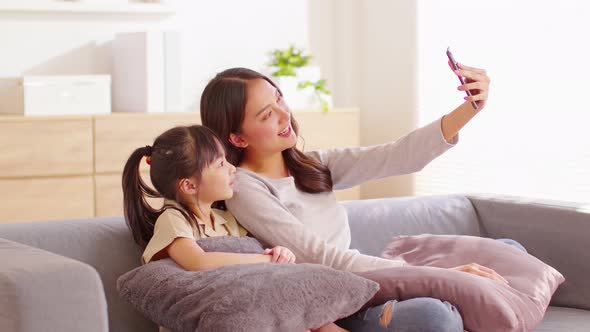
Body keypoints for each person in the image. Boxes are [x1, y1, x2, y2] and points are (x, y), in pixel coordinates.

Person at [200, 65, 501, 331]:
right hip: (333, 303)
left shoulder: (313, 165)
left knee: (505, 250)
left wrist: (470, 108)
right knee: (436, 318)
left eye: (279, 98)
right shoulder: (245, 188)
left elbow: (397, 156)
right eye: (267, 114)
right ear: (238, 138)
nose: (284, 114)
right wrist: (436, 277)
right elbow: (320, 258)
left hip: (364, 283)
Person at [121, 125, 346, 332]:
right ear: (189, 185)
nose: (232, 169)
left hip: (247, 307)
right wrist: (266, 261)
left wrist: (277, 253)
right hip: (210, 319)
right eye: (220, 164)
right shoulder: (174, 220)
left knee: (307, 313)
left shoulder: (226, 220)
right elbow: (198, 262)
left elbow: (253, 256)